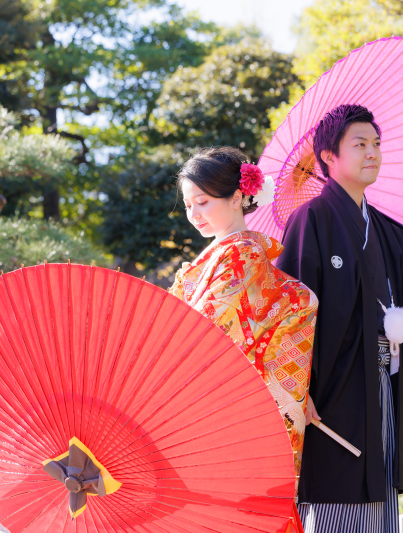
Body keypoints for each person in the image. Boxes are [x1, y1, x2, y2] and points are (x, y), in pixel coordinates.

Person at [276, 104, 403, 532]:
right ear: (328, 156)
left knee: (377, 488)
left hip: (379, 382)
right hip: (329, 390)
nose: (373, 153)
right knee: (333, 491)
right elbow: (289, 313)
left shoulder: (386, 228)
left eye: (377, 144)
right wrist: (297, 389)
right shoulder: (311, 219)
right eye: (360, 144)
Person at [169, 146, 318, 533]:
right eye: (188, 205)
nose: (194, 214)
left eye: (202, 201)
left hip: (224, 411)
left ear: (237, 197)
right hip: (242, 408)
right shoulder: (238, 252)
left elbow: (194, 334)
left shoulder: (239, 255)